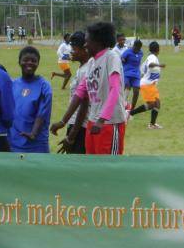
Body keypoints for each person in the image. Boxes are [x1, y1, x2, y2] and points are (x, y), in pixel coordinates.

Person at [50, 22, 127, 155]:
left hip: (109, 123)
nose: (85, 45)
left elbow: (115, 90)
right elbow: (80, 92)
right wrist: (63, 121)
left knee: (107, 167)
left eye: (87, 42)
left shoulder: (111, 57)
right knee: (91, 164)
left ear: (98, 42)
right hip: (92, 122)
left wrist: (102, 120)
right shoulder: (92, 62)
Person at [9, 46, 52, 153]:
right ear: (19, 62)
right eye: (25, 60)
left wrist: (33, 133)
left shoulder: (44, 86)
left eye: (34, 61)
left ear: (38, 63)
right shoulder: (13, 84)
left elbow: (42, 113)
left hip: (36, 144)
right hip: (14, 142)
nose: (29, 63)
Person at [56, 31, 90, 154]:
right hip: (76, 125)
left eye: (74, 49)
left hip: (80, 127)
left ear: (84, 50)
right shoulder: (82, 68)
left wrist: (71, 137)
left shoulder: (86, 71)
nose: (71, 52)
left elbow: (84, 106)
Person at [129, 41, 166, 129]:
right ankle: (130, 113)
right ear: (158, 49)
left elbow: (142, 70)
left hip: (150, 85)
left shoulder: (149, 57)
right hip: (147, 85)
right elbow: (150, 65)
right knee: (153, 104)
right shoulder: (152, 57)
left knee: (157, 104)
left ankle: (152, 124)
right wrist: (159, 65)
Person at [121, 39, 143, 110]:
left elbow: (139, 62)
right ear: (134, 46)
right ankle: (122, 104)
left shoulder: (141, 53)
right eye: (136, 48)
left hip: (136, 74)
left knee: (136, 91)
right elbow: (122, 59)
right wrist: (124, 62)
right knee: (127, 87)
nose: (137, 50)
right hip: (127, 73)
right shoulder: (127, 51)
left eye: (138, 49)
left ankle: (132, 108)